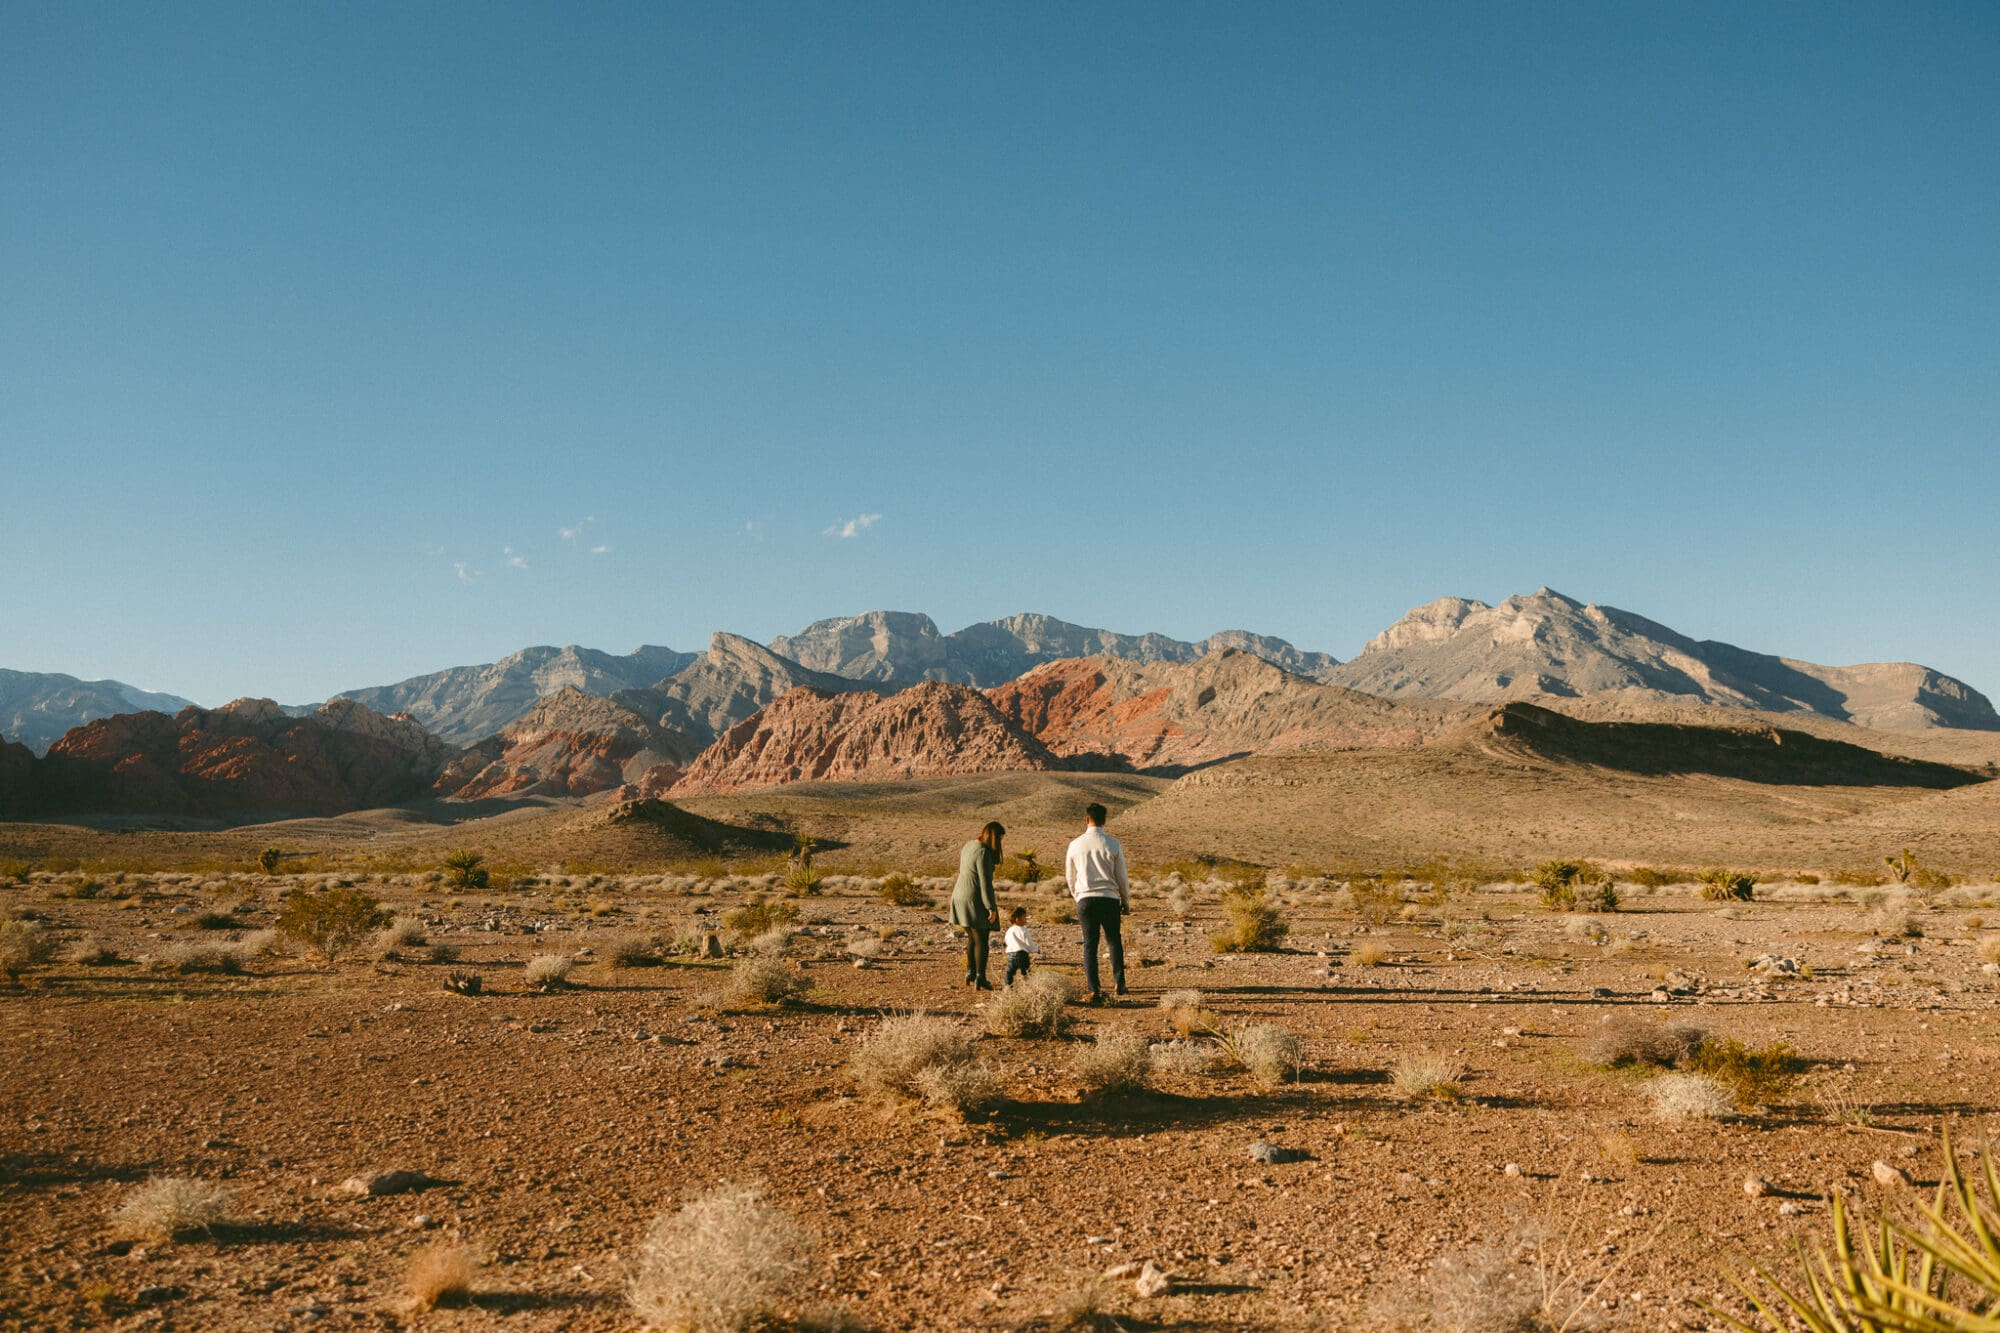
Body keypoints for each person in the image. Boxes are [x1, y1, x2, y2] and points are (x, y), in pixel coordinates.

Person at [1064, 802, 1129, 1003]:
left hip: (1085, 899)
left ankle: (1094, 989)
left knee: (1090, 944)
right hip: (1109, 899)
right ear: (1104, 820)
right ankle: (1120, 982)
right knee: (1113, 940)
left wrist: (1078, 896)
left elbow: (1070, 876)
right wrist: (1125, 900)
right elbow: (1122, 877)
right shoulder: (1113, 844)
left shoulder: (1075, 845)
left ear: (1086, 819)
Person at [949, 820, 1005, 989]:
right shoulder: (983, 853)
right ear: (995, 838)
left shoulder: (969, 845)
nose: (1001, 844)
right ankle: (980, 977)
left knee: (972, 936)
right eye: (1001, 839)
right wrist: (991, 907)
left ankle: (970, 972)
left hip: (959, 894)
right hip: (973, 897)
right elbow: (984, 882)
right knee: (982, 938)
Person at [1002, 906, 1038, 986]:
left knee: (1010, 972)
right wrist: (1035, 949)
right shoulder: (1023, 930)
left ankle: (1008, 986)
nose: (1026, 919)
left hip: (1011, 955)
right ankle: (1027, 986)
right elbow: (1029, 943)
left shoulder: (1009, 930)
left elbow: (1007, 941)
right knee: (1025, 972)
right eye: (1024, 917)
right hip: (1022, 954)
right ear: (1017, 919)